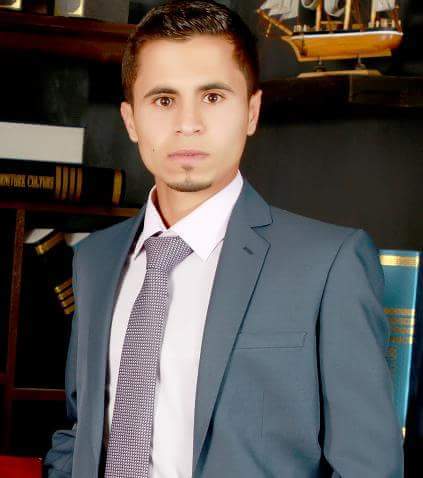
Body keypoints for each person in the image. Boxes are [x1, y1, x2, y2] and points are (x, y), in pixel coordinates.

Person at [44, 1, 404, 477]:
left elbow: (369, 468)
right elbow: (81, 431)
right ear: (131, 120)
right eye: (163, 100)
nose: (188, 123)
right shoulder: (95, 259)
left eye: (213, 97)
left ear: (251, 112)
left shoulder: (329, 265)